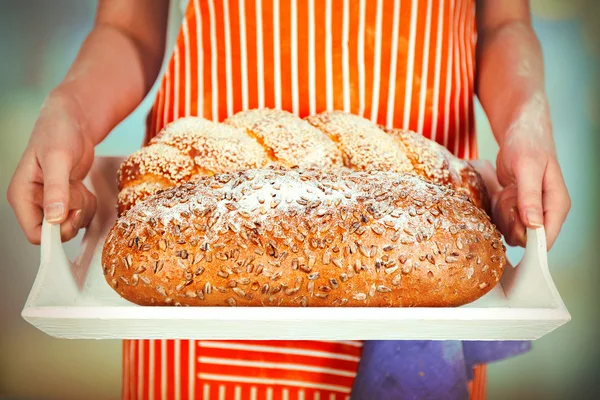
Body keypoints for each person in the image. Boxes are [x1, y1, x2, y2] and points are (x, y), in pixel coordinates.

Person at [7, 0, 570, 399]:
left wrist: (527, 118)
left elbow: (503, 23)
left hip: (424, 242)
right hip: (199, 239)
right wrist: (72, 111)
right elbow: (128, 26)